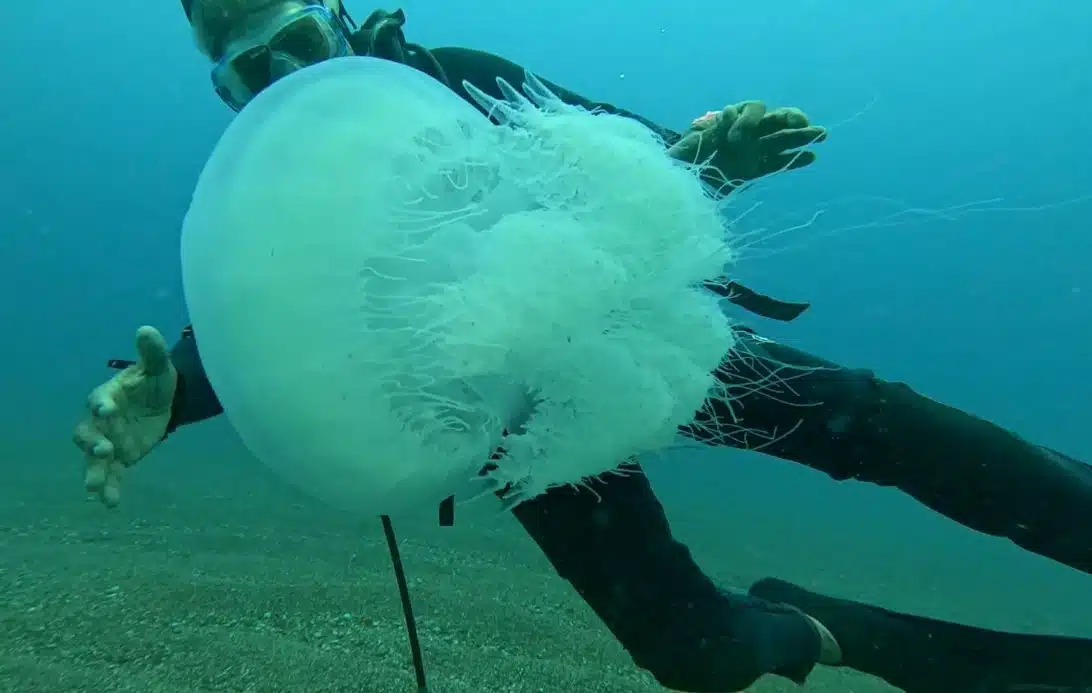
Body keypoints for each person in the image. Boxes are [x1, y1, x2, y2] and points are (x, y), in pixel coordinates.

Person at [72, 2, 1092, 692]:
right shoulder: (271, 204)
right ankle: (830, 628)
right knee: (697, 654)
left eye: (295, 37)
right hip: (510, 421)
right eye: (250, 68)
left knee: (871, 423)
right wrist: (164, 396)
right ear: (227, 91)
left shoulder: (456, 79)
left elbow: (633, 164)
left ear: (338, 15)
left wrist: (712, 159)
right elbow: (249, 321)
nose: (287, 75)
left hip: (621, 327)